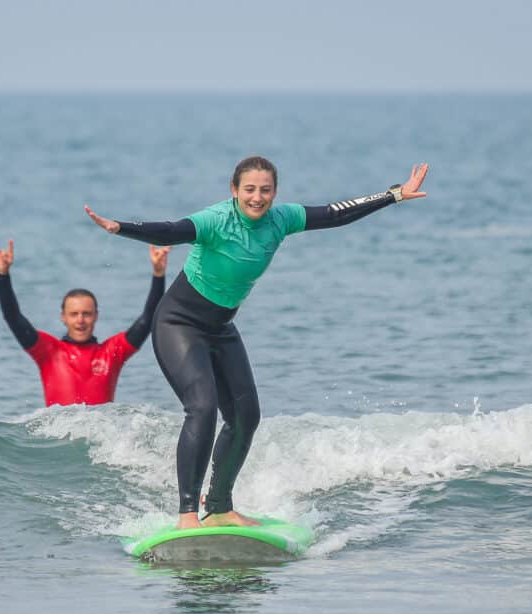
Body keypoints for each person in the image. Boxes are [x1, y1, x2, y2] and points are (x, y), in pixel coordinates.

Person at [85, 157, 428, 529]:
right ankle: (187, 514)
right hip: (178, 324)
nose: (257, 197)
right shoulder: (216, 220)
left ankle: (219, 507)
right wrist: (120, 228)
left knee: (246, 418)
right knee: (202, 407)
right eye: (249, 189)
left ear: (274, 192)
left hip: (221, 328)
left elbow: (334, 214)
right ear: (234, 191)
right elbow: (171, 230)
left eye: (265, 190)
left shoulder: (281, 220)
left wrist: (395, 194)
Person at [0, 238, 170, 406]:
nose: (80, 320)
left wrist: (158, 274)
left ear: (96, 316)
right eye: (74, 314)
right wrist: (3, 275)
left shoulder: (112, 353)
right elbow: (13, 317)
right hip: (57, 438)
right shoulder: (48, 352)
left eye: (87, 314)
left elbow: (148, 320)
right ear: (63, 317)